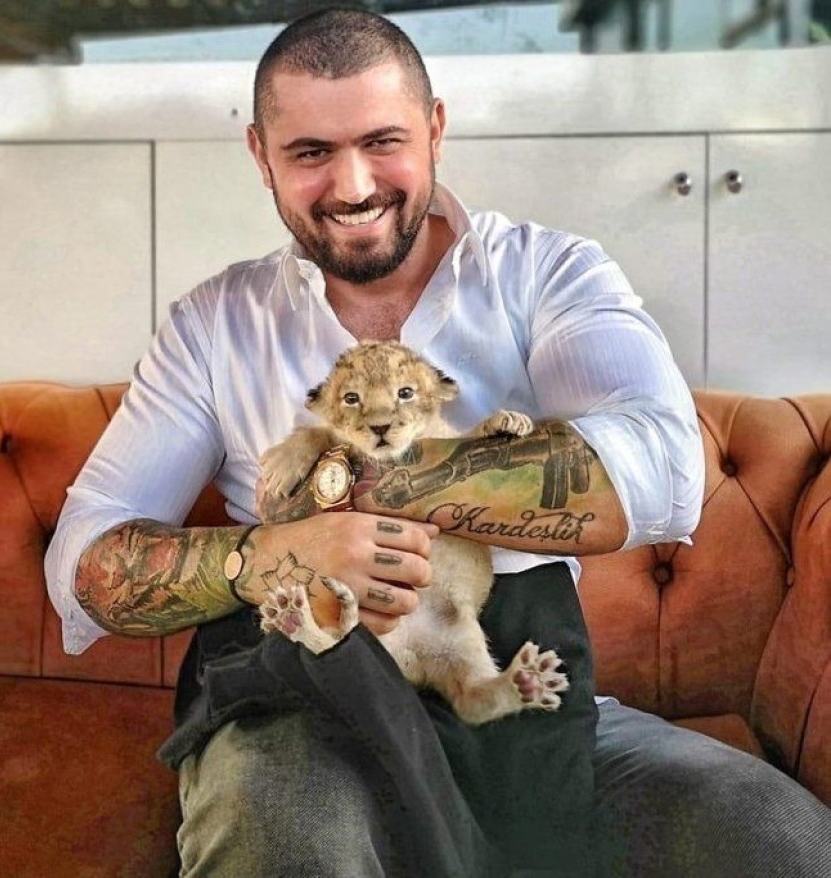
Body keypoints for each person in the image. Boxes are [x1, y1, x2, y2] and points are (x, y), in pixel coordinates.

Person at [45, 8, 831, 877]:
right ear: (261, 156)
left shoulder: (546, 275)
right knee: (284, 836)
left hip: (517, 694)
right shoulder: (216, 324)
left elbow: (666, 470)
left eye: (382, 141)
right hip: (308, 705)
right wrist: (263, 558)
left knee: (777, 836)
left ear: (435, 129)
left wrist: (355, 488)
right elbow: (85, 559)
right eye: (310, 153)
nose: (352, 186)